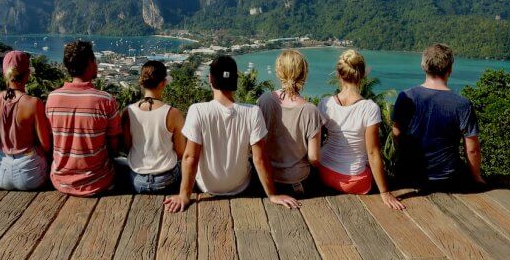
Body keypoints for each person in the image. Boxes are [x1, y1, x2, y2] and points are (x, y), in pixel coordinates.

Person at [164, 56, 299, 213]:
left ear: (210, 79)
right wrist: (272, 195)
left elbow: (190, 157)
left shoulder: (197, 110)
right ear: (235, 80)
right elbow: (259, 158)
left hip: (206, 186)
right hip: (241, 186)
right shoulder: (252, 112)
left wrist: (184, 195)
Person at [318, 50, 405, 210]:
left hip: (323, 172)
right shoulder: (369, 108)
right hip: (354, 182)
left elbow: (316, 140)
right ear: (363, 74)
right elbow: (373, 153)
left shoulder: (325, 103)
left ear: (338, 74)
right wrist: (385, 192)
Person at [392, 43, 485, 191]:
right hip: (448, 179)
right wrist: (476, 177)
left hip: (409, 175)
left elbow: (396, 133)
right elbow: (472, 149)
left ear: (423, 66)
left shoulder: (405, 96)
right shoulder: (462, 104)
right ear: (450, 69)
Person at [45, 41, 121, 196]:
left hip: (60, 181)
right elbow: (114, 145)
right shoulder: (105, 100)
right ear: (90, 63)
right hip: (98, 182)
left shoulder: (52, 98)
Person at [257, 50, 321, 197]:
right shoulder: (310, 110)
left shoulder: (264, 100)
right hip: (297, 182)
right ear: (304, 73)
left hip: (266, 179)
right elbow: (314, 158)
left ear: (278, 72)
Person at [0, 51, 51, 191]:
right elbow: (46, 145)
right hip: (30, 174)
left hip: (1, 174)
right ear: (27, 75)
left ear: (5, 75)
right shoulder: (34, 103)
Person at [120, 60, 186, 193]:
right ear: (163, 83)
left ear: (142, 83)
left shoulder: (128, 111)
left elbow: (127, 147)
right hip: (166, 179)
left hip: (137, 179)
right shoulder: (173, 113)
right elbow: (180, 152)